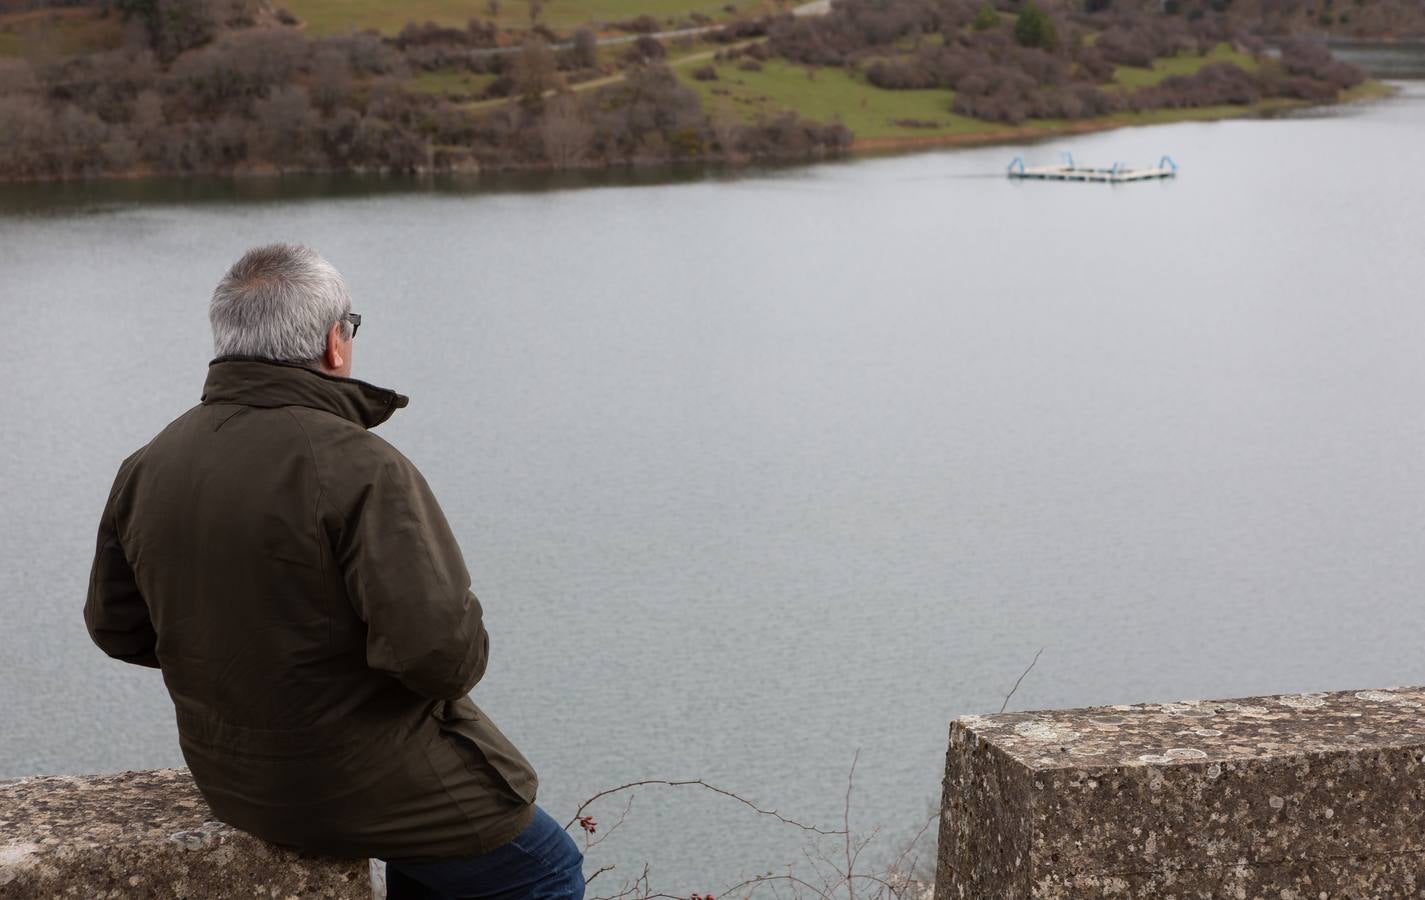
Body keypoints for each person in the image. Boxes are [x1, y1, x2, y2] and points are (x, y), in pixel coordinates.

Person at [84, 243, 584, 900]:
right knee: (542, 866)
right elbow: (442, 658)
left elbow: (118, 629)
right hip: (347, 778)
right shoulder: (361, 466)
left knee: (443, 853)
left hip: (235, 778)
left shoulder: (149, 463)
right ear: (334, 342)